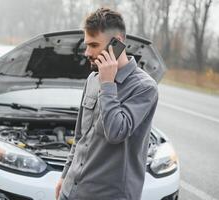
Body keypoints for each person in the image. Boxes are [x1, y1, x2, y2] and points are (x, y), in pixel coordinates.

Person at [55, 7, 158, 200]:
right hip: (71, 192)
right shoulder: (92, 79)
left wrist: (108, 84)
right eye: (87, 45)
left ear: (116, 43)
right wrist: (65, 176)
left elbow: (116, 133)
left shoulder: (145, 88)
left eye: (93, 45)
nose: (87, 52)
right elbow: (80, 138)